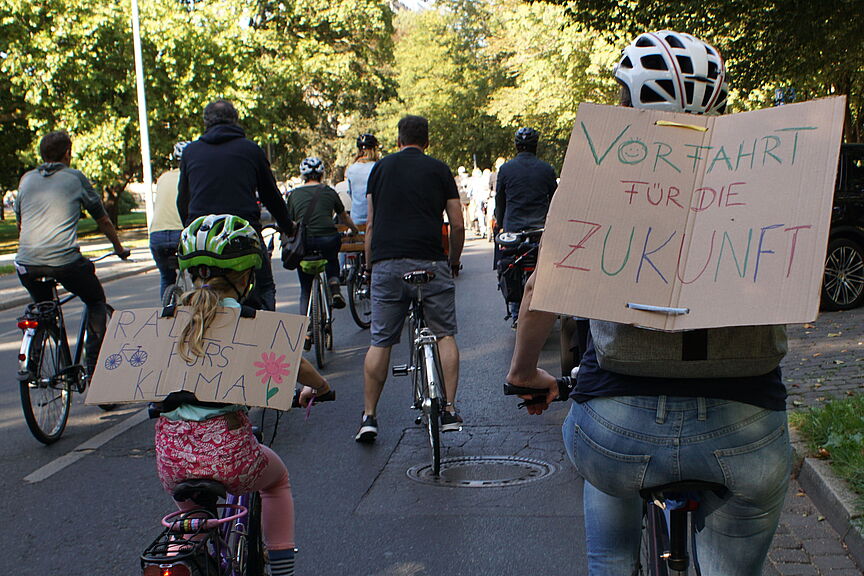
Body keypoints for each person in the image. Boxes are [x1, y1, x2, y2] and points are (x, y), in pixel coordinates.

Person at [506, 31, 789, 576]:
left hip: (619, 427)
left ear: (627, 103)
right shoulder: (766, 176)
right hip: (747, 426)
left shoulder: (600, 176)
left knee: (609, 495)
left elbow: (543, 289)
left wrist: (523, 373)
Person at [154, 214, 332, 576]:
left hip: (171, 459)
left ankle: (177, 559)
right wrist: (321, 387)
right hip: (228, 455)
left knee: (191, 516)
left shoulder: (168, 318)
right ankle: (282, 568)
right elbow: (294, 364)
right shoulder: (248, 320)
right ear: (245, 276)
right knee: (277, 481)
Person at [355, 115, 465, 443]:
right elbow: (458, 223)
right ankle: (449, 409)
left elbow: (371, 224)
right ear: (426, 142)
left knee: (381, 341)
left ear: (398, 141)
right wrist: (453, 261)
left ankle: (369, 417)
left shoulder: (380, 169)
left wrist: (371, 265)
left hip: (388, 264)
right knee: (444, 334)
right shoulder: (439, 169)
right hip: (430, 262)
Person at [14, 130, 131, 377]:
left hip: (25, 263)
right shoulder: (75, 178)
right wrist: (118, 248)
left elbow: (20, 223)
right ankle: (94, 366)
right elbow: (102, 219)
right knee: (95, 301)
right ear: (67, 153)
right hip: (65, 261)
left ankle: (33, 362)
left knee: (43, 308)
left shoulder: (26, 179)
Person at [177, 99, 294, 311]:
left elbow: (183, 201)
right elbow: (271, 196)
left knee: (199, 288)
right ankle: (263, 326)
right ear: (235, 120)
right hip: (242, 236)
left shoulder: (190, 152)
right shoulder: (251, 150)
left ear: (205, 122)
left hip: (202, 240)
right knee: (263, 289)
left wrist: (191, 228)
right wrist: (288, 227)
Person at [494, 127, 557, 326]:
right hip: (540, 227)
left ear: (516, 146)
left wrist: (500, 224)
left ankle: (516, 314)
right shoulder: (546, 169)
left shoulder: (506, 169)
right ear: (535, 146)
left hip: (514, 228)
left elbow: (500, 200)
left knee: (511, 266)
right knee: (545, 266)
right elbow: (555, 199)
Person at [285, 157, 359, 323]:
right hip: (328, 239)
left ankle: (305, 328)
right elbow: (343, 216)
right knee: (331, 258)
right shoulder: (329, 192)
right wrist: (354, 230)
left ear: (303, 176)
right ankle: (334, 286)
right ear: (322, 174)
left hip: (304, 242)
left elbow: (290, 222)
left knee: (305, 289)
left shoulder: (294, 194)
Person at [149, 141, 187, 300]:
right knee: (199, 274)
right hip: (181, 232)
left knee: (166, 277)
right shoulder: (191, 176)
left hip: (157, 234)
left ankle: (166, 310)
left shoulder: (163, 178)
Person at [345, 133, 380, 226]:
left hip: (356, 219)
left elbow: (351, 193)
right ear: (374, 150)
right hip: (375, 219)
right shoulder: (377, 167)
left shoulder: (351, 169)